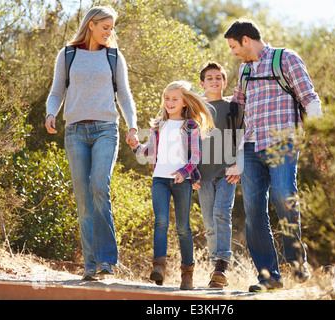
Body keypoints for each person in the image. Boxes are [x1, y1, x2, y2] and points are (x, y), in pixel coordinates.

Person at [224, 19, 323, 292]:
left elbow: (310, 99)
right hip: (251, 147)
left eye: (233, 46)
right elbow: (236, 108)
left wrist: (319, 141)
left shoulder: (285, 58)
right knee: (254, 212)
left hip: (282, 144)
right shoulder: (244, 70)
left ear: (246, 40)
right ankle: (269, 277)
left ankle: (297, 261)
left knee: (283, 196)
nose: (232, 52)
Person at [45, 6, 138, 281]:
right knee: (84, 200)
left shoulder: (114, 56)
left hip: (105, 129)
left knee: (99, 184)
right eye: (105, 27)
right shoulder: (68, 54)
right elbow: (56, 91)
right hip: (74, 132)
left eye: (112, 28)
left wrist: (132, 123)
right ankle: (90, 264)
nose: (110, 32)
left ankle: (107, 260)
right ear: (91, 26)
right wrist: (51, 112)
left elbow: (124, 94)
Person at [128, 81, 214, 290]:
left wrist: (184, 173)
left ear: (185, 102)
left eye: (175, 99)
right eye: (167, 98)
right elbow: (148, 153)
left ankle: (187, 274)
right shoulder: (158, 125)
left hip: (182, 181)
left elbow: (195, 156)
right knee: (161, 222)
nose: (170, 102)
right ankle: (159, 267)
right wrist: (135, 146)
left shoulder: (190, 126)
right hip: (159, 179)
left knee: (183, 228)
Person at [193, 61, 243, 289]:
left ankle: (222, 264)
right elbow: (187, 141)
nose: (214, 81)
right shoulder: (195, 109)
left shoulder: (233, 107)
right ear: (202, 83)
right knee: (210, 223)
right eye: (209, 78)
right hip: (202, 174)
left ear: (224, 82)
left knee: (222, 213)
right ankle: (217, 271)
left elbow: (243, 137)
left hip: (226, 171)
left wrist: (239, 164)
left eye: (218, 77)